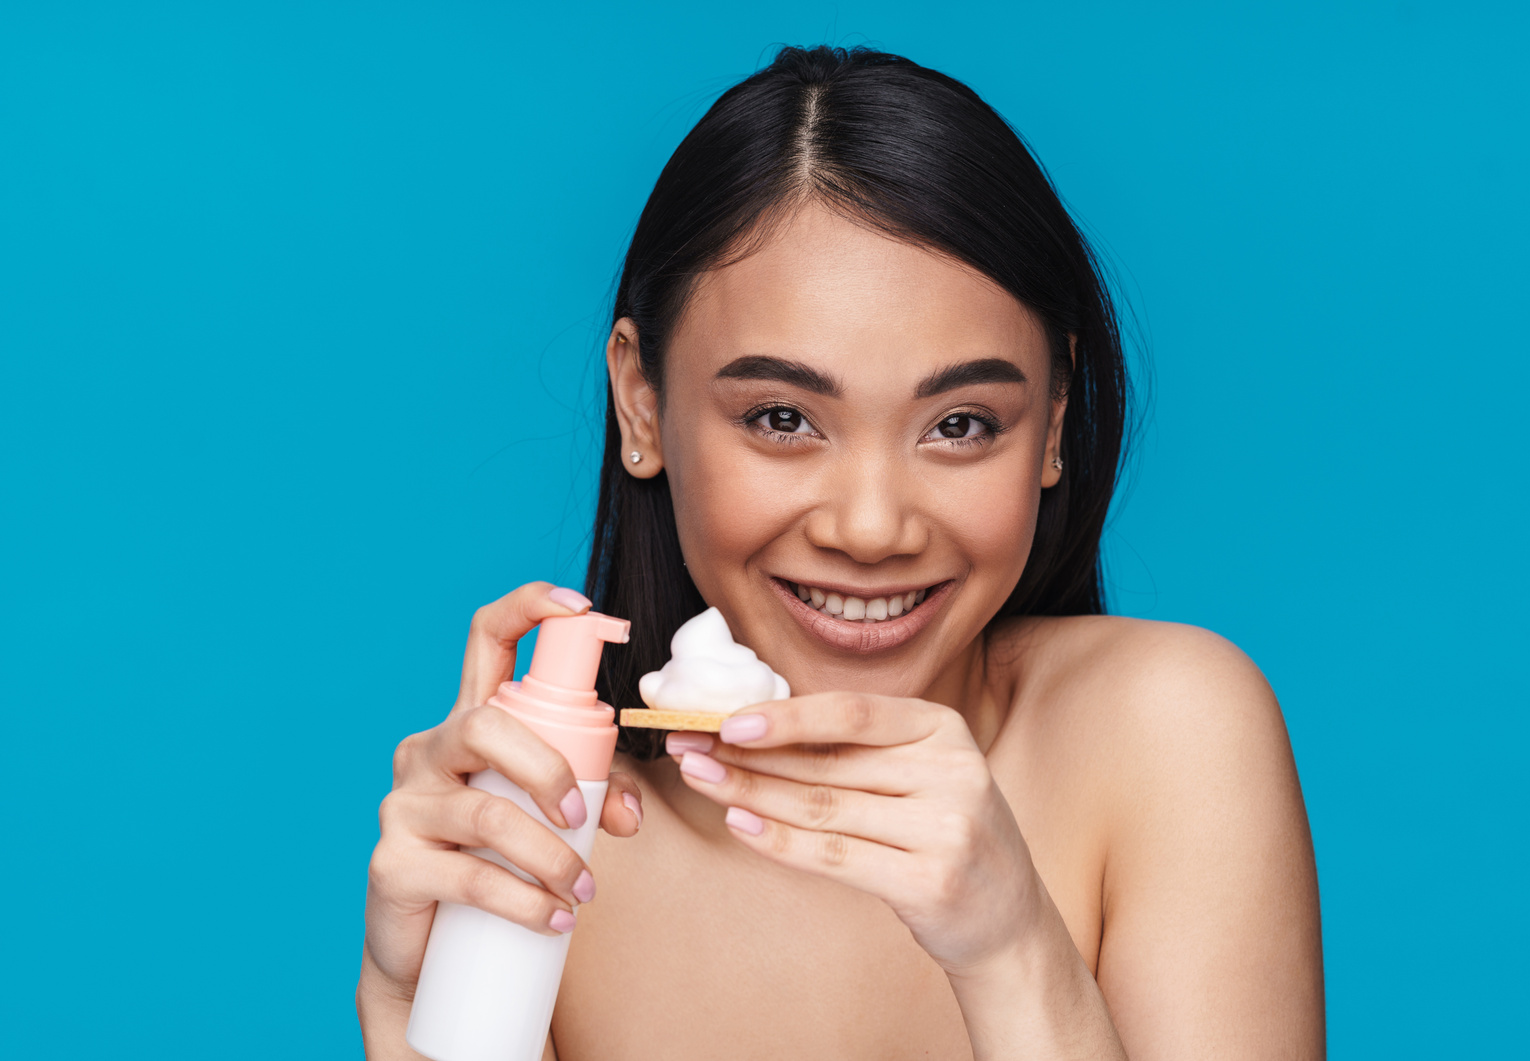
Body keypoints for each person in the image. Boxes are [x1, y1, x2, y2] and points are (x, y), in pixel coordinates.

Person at [356, 45, 1324, 1060]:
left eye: (959, 424)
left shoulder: (1166, 733)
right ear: (642, 402)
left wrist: (1011, 945)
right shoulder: (547, 853)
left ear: (1050, 425)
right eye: (781, 417)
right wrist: (408, 1013)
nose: (871, 527)